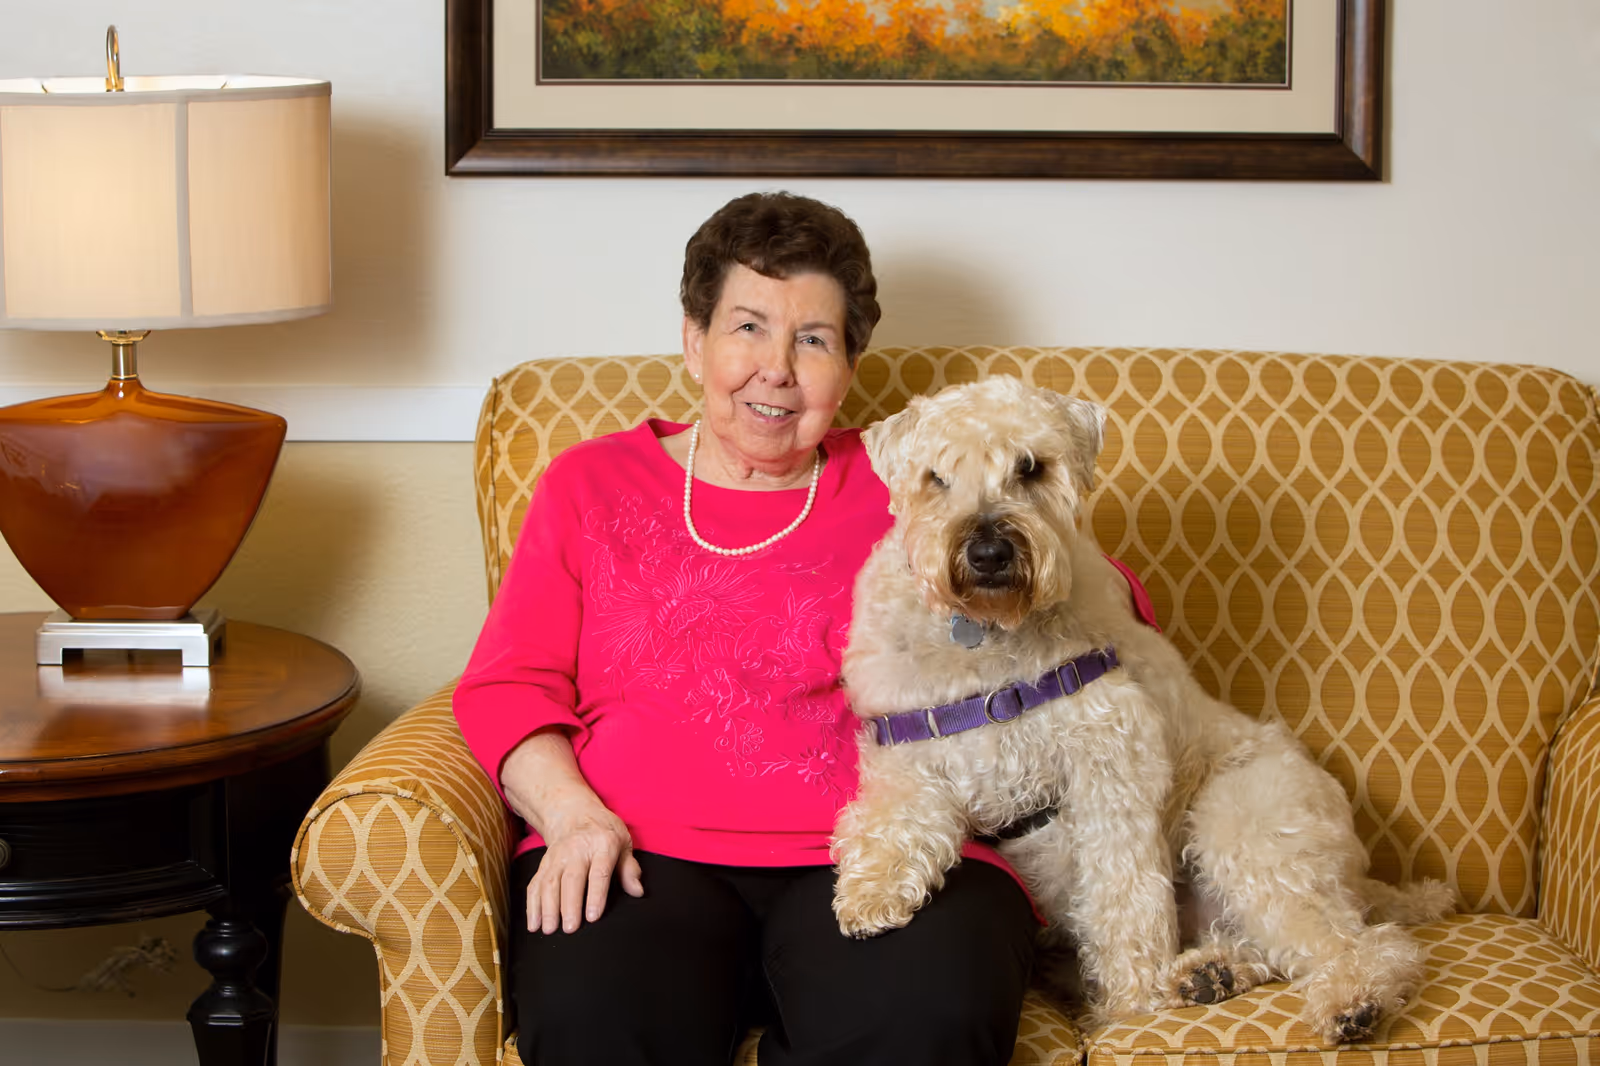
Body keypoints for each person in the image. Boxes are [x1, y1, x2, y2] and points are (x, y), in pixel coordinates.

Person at [453, 192, 1036, 1066]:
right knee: (594, 1028)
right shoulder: (589, 485)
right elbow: (509, 686)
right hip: (638, 851)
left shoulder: (915, 482)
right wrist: (574, 819)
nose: (778, 368)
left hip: (877, 848)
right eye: (749, 327)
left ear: (848, 365)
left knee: (928, 1021)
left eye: (814, 339)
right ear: (695, 340)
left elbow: (1082, 606)